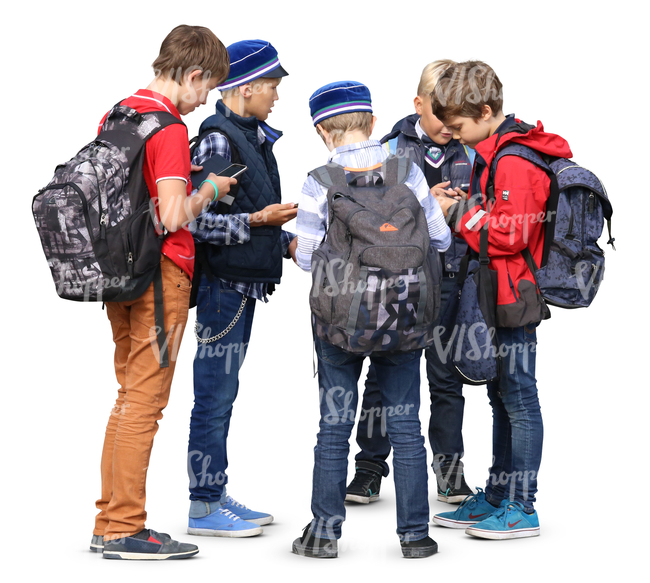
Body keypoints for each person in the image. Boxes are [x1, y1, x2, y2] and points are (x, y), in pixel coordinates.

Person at [292, 81, 450, 558]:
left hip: (340, 324)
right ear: (373, 124)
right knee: (406, 427)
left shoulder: (319, 179)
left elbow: (303, 256)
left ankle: (323, 534)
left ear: (322, 129)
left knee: (334, 425)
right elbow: (439, 240)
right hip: (405, 318)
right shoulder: (409, 171)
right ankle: (416, 536)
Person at [93, 25, 233, 560]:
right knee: (145, 403)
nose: (202, 103)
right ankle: (127, 528)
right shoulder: (170, 127)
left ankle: (108, 520)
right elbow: (172, 215)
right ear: (192, 75)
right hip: (161, 276)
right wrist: (210, 189)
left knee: (128, 397)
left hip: (118, 274)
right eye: (206, 89)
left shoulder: (119, 113)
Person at [430, 60, 572, 539]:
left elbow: (511, 233)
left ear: (487, 111)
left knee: (519, 396)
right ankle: (497, 495)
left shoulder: (512, 158)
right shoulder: (493, 152)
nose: (453, 136)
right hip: (497, 291)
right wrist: (469, 205)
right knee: (500, 394)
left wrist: (457, 214)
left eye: (458, 127)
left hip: (516, 295)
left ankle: (523, 507)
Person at [347, 60, 476, 506]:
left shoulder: (473, 150)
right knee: (382, 379)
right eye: (439, 112)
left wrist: (464, 208)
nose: (448, 122)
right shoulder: (386, 151)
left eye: (456, 111)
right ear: (418, 104)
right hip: (394, 285)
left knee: (446, 379)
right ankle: (368, 467)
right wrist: (427, 209)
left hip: (451, 281)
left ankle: (449, 468)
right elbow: (368, 218)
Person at [186, 39, 298, 538]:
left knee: (224, 396)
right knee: (213, 397)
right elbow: (193, 222)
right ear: (246, 87)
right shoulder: (218, 139)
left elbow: (254, 213)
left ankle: (214, 492)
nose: (275, 95)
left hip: (244, 286)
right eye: (271, 86)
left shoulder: (251, 136)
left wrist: (290, 238)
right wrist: (259, 220)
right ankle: (205, 506)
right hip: (222, 290)